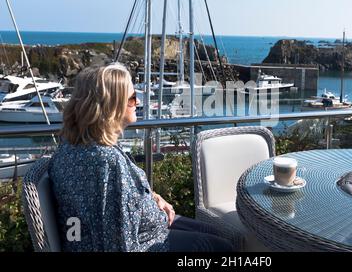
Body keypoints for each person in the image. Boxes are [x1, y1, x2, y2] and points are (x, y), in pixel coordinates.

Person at [48, 63, 233, 252]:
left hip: (147, 227)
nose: (137, 103)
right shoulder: (106, 161)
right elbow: (119, 242)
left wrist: (152, 197)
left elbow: (108, 200)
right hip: (147, 241)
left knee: (220, 234)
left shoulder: (71, 146)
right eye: (132, 98)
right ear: (112, 106)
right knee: (223, 247)